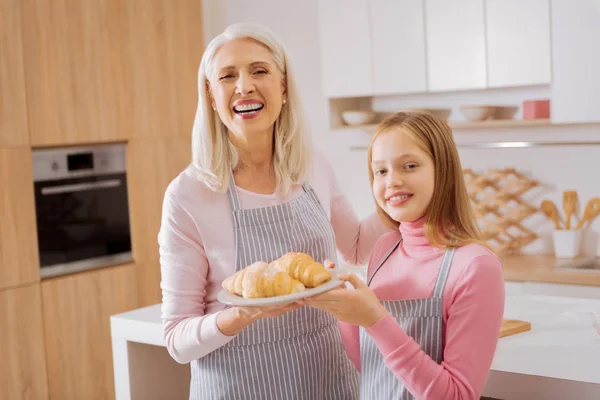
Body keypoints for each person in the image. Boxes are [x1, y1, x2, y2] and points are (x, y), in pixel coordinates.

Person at [158, 21, 390, 399]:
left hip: (326, 378)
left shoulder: (311, 163)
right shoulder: (188, 195)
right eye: (227, 75)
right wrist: (240, 316)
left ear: (283, 87)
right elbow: (177, 339)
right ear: (211, 96)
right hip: (239, 388)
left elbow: (358, 247)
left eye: (259, 70)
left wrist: (395, 202)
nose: (244, 85)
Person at [303, 112, 505, 400]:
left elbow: (457, 395)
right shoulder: (385, 250)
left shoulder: (475, 266)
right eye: (380, 171)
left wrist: (375, 320)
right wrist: (341, 306)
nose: (392, 181)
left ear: (443, 170)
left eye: (409, 166)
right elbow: (372, 367)